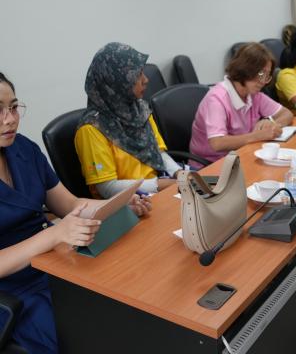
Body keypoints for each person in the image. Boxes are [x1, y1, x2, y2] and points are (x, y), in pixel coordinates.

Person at [0, 72, 151, 353]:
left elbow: (69, 205)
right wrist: (54, 234)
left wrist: (115, 206)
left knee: (125, 301)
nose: (9, 119)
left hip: (54, 263)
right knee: (85, 333)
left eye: (13, 107)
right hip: (13, 291)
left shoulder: (24, 149)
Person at [75, 42, 181, 197]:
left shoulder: (140, 109)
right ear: (115, 82)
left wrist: (179, 173)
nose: (146, 80)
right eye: (137, 75)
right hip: (129, 202)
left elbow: (158, 153)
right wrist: (161, 185)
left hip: (159, 188)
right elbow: (107, 188)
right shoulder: (91, 129)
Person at [190, 42, 293, 164]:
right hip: (211, 165)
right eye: (261, 74)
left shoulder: (254, 94)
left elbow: (286, 113)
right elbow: (217, 143)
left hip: (241, 156)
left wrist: (272, 124)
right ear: (245, 69)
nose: (264, 81)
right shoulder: (217, 99)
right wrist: (258, 135)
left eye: (267, 75)